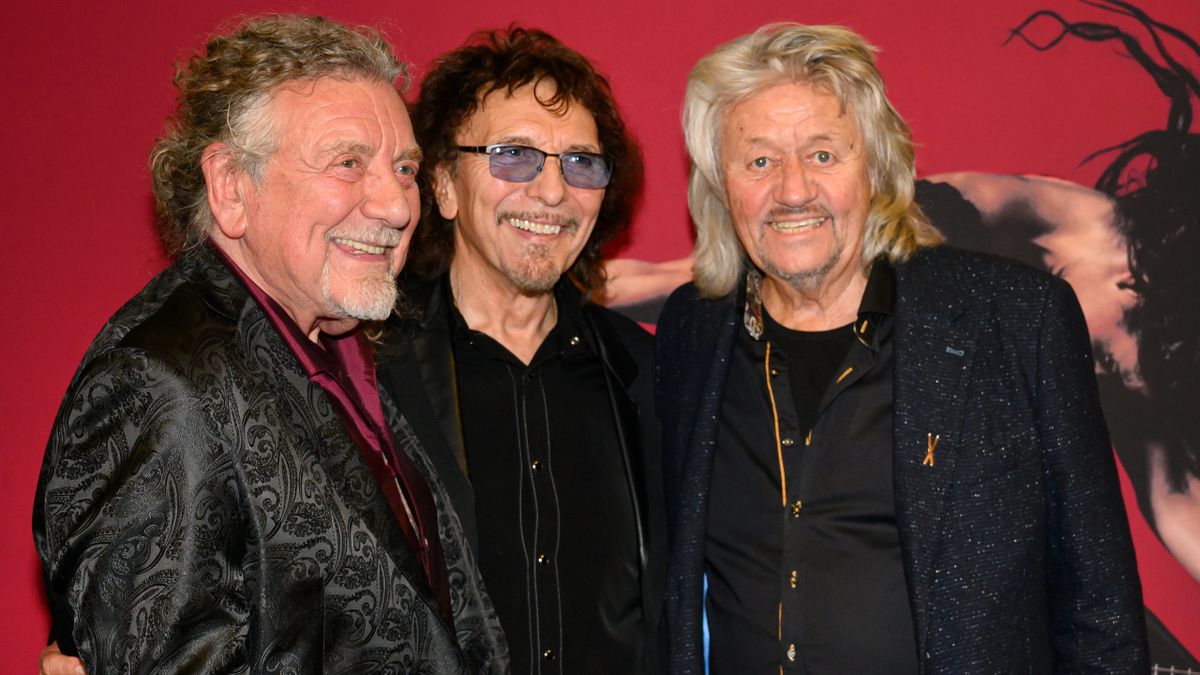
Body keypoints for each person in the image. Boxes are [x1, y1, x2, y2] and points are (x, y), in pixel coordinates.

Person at [655, 22, 1149, 674]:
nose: (793, 189)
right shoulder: (692, 332)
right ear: (720, 186)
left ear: (879, 168)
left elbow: (1102, 614)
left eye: (825, 154)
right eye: (760, 160)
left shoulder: (1018, 323)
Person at [32, 15, 505, 674]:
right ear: (231, 188)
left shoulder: (348, 353)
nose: (397, 204)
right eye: (348, 163)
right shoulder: (156, 386)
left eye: (404, 167)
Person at [373, 27, 666, 674]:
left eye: (582, 163)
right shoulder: (368, 372)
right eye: (514, 155)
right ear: (444, 184)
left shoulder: (643, 375)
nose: (554, 191)